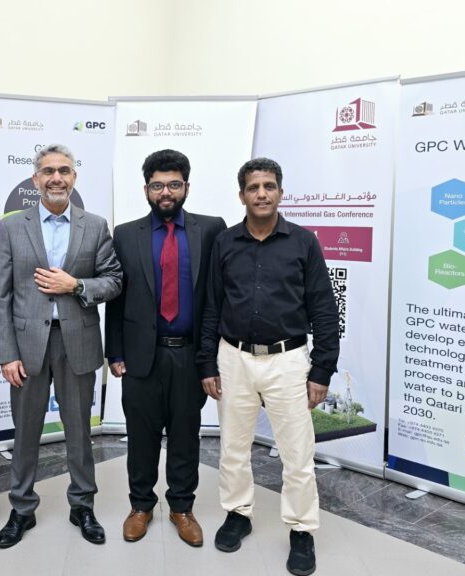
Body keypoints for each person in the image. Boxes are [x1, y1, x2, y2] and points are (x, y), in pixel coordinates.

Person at [197, 157, 339, 576]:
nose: (262, 193)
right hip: (233, 358)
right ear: (242, 194)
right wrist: (208, 362)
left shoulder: (303, 242)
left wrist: (322, 370)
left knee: (297, 455)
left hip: (288, 361)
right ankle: (238, 513)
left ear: (280, 192)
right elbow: (211, 306)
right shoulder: (224, 242)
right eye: (254, 187)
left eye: (269, 186)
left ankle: (301, 529)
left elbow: (324, 309)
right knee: (233, 448)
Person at [0, 144, 122, 548]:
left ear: (74, 177)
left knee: (80, 431)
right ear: (35, 179)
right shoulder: (12, 226)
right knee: (26, 431)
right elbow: (0, 296)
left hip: (77, 344)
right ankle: (22, 509)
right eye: (48, 171)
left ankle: (82, 504)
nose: (56, 178)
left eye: (64, 170)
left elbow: (114, 281)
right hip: (27, 348)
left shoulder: (96, 225)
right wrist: (7, 353)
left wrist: (77, 285)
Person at [105, 149, 226, 546]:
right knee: (140, 436)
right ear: (146, 190)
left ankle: (181, 507)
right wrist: (115, 352)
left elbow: (217, 298)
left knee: (186, 434)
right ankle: (141, 505)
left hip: (191, 356)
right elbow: (117, 299)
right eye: (158, 185)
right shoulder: (125, 234)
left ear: (186, 187)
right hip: (143, 354)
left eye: (174, 184)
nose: (166, 192)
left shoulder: (212, 229)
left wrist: (214, 357)